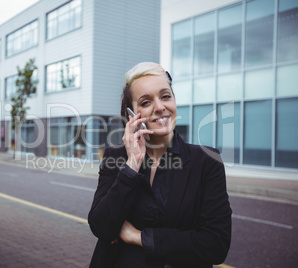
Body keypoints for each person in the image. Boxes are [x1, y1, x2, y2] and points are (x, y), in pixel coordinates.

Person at [88, 62, 232, 267]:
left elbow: (215, 245)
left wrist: (137, 236)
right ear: (132, 114)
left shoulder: (207, 161)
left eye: (166, 96)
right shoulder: (116, 157)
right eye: (146, 102)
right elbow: (101, 227)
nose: (160, 107)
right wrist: (132, 165)